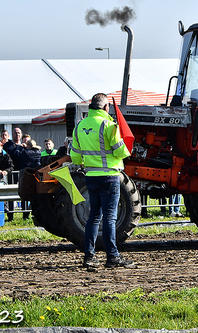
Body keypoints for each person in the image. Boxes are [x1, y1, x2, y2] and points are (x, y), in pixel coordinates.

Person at [71, 93, 133, 270]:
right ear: (106, 107)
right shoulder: (109, 125)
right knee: (110, 218)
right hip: (110, 177)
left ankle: (89, 256)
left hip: (90, 177)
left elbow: (76, 158)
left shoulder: (80, 126)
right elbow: (120, 151)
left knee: (94, 216)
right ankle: (112, 256)